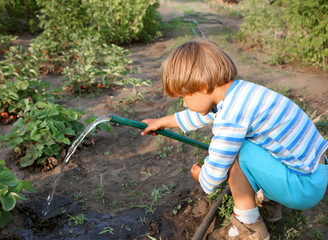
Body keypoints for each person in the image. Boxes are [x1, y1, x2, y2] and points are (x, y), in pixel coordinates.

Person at [141, 39, 328, 240]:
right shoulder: (242, 94)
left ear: (203, 86)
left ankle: (249, 228)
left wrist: (204, 177)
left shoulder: (231, 115)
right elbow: (203, 114)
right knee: (250, 145)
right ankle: (271, 199)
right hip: (315, 172)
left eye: (183, 97)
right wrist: (162, 121)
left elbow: (220, 160)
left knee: (238, 152)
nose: (184, 103)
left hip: (303, 188)